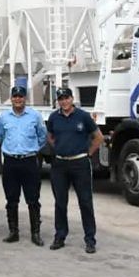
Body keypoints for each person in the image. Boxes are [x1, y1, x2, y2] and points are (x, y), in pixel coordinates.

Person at [47, 87, 102, 254]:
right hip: (60, 165)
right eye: (61, 98)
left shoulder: (83, 116)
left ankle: (90, 239)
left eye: (66, 98)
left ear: (72, 99)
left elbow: (98, 137)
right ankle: (60, 236)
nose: (64, 101)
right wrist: (58, 149)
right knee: (60, 203)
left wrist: (88, 154)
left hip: (80, 164)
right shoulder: (53, 117)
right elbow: (50, 136)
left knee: (85, 202)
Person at [0, 84, 47, 246]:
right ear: (11, 98)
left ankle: (35, 233)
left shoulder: (34, 116)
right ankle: (13, 232)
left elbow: (42, 136)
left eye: (21, 96)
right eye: (15, 96)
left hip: (29, 161)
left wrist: (33, 149)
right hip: (10, 162)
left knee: (33, 199)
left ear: (25, 98)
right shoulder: (4, 117)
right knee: (11, 199)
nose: (18, 99)